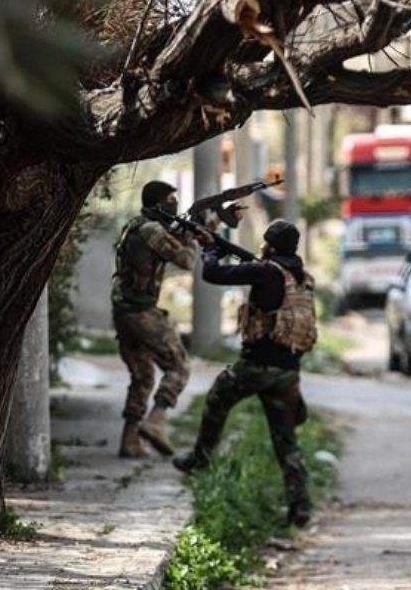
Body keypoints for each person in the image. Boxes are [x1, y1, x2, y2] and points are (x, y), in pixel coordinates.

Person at [172, 219, 319, 527]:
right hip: (288, 371)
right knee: (286, 440)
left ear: (271, 245)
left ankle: (200, 459)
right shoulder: (301, 276)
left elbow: (212, 274)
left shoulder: (266, 271)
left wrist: (210, 248)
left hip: (257, 365)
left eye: (265, 242)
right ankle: (300, 506)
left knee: (217, 398)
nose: (261, 247)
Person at [111, 180, 208, 459]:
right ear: (157, 203)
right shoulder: (152, 229)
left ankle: (130, 442)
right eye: (169, 199)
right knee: (179, 366)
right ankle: (155, 422)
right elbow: (186, 261)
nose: (174, 203)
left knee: (142, 376)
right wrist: (193, 235)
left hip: (123, 309)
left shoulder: (136, 224)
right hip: (141, 311)